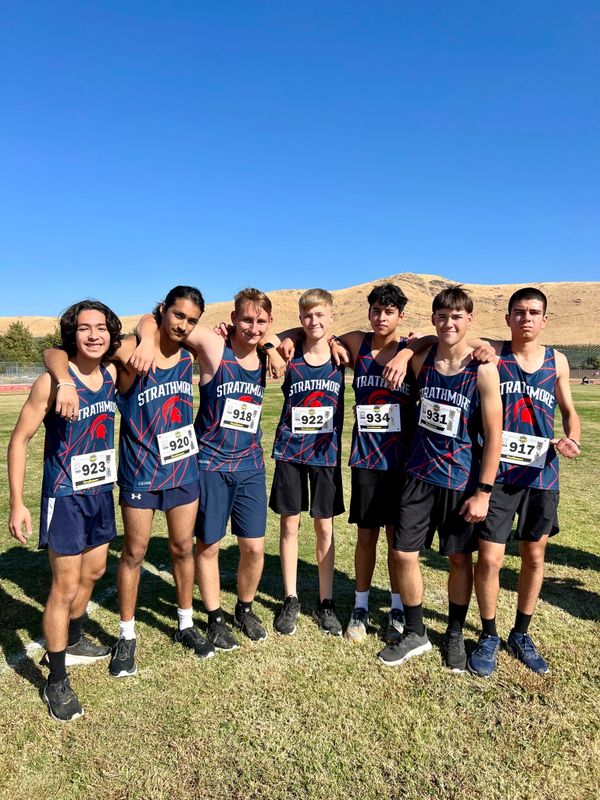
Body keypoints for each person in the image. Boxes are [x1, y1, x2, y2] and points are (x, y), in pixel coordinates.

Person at [44, 286, 213, 679]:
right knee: (134, 553)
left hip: (183, 470)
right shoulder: (129, 351)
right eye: (177, 315)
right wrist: (146, 334)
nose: (183, 325)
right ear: (163, 310)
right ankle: (126, 635)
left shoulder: (189, 353)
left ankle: (186, 623)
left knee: (182, 548)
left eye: (191, 320)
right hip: (140, 471)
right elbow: (56, 352)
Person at [135, 287, 285, 652]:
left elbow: (292, 334)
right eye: (246, 320)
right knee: (209, 546)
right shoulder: (215, 346)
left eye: (260, 322)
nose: (252, 328)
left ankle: (244, 608)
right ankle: (215, 617)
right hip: (210, 463)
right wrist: (145, 340)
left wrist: (271, 347)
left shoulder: (267, 352)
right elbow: (157, 318)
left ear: (269, 323)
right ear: (233, 319)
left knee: (254, 548)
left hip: (250, 465)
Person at [378, 285, 503, 671]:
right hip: (418, 474)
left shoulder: (482, 370)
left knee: (459, 560)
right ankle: (416, 632)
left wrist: (483, 492)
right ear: (433, 319)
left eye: (457, 317)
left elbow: (494, 435)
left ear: (470, 320)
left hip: (459, 479)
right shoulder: (421, 360)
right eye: (443, 316)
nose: (449, 323)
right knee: (403, 553)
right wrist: (404, 351)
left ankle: (454, 631)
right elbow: (420, 341)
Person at [8, 300, 121, 720]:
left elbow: (144, 334)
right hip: (66, 495)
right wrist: (17, 502)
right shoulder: (51, 383)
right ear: (71, 334)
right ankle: (56, 680)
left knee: (94, 572)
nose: (93, 335)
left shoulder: (110, 374)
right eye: (84, 328)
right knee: (65, 586)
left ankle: (73, 638)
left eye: (101, 327)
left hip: (100, 492)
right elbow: (19, 440)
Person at [468, 287, 581, 677]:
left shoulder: (557, 361)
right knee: (490, 558)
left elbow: (569, 411)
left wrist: (573, 438)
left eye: (534, 312)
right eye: (519, 312)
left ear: (545, 320)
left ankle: (521, 633)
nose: (526, 318)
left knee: (534, 556)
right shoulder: (494, 353)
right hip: (498, 476)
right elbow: (451, 335)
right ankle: (488, 635)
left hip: (541, 475)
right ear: (508, 318)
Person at [268, 289, 345, 636]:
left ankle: (326, 602)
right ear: (300, 320)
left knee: (324, 527)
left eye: (320, 315)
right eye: (307, 316)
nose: (314, 321)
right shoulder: (289, 355)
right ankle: (291, 597)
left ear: (331, 317)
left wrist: (335, 341)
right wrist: (278, 343)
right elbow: (267, 337)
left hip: (325, 455)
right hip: (290, 452)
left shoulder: (342, 357)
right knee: (289, 525)